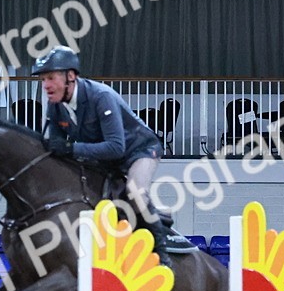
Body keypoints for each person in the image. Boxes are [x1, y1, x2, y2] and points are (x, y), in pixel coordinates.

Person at [31, 46, 191, 263]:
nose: (46, 86)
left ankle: (163, 255)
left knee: (135, 191)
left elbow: (116, 147)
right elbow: (58, 150)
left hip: (138, 150)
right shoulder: (55, 107)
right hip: (103, 157)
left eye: (50, 78)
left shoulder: (100, 97)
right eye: (42, 80)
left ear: (70, 76)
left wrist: (71, 149)